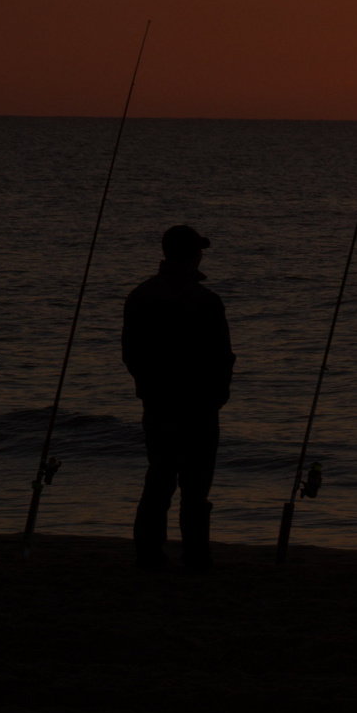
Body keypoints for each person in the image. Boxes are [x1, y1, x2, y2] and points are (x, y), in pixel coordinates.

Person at [122, 225, 235, 571]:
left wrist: (148, 387)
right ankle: (196, 556)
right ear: (194, 254)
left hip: (157, 403)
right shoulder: (205, 301)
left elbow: (131, 353)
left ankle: (148, 553)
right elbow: (222, 356)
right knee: (195, 487)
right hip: (198, 405)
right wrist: (217, 397)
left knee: (159, 478)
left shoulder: (140, 295)